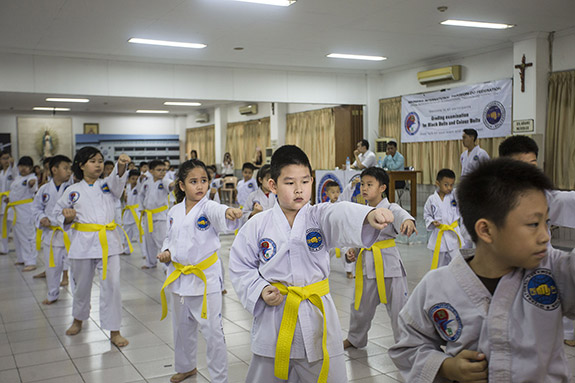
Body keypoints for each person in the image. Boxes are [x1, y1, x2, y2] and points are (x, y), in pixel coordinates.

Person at [389, 158, 575, 382]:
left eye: (547, 222)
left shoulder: (556, 270)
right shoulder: (437, 286)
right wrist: (446, 366)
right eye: (534, 224)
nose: (546, 236)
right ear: (486, 230)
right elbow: (408, 347)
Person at [229, 145, 394, 383]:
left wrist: (367, 216)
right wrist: (260, 289)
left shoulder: (318, 215)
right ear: (272, 185)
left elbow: (339, 214)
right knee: (268, 372)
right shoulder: (257, 225)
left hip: (315, 312)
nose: (299, 190)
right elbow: (240, 266)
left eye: (305, 182)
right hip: (275, 313)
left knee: (324, 371)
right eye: (289, 183)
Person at [157, 159, 242, 383]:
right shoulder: (174, 210)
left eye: (203, 180)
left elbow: (219, 211)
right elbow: (169, 238)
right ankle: (186, 366)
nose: (200, 186)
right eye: (193, 181)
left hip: (206, 281)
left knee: (213, 332)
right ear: (182, 185)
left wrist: (229, 212)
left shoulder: (209, 207)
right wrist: (166, 252)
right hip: (178, 278)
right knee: (182, 328)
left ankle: (219, 378)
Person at [499, 134, 575, 347]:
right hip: (504, 270)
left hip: (540, 269)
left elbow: (565, 200)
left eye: (533, 166)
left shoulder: (543, 195)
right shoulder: (491, 198)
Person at [54, 147, 131, 347]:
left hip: (108, 243)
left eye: (100, 161)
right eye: (92, 161)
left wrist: (121, 165)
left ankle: (115, 330)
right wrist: (66, 217)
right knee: (81, 285)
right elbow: (58, 211)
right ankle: (78, 319)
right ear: (81, 165)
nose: (98, 164)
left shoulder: (107, 185)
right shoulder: (72, 191)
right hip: (82, 243)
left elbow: (118, 181)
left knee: (112, 285)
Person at [343, 167, 416, 347]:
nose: (364, 188)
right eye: (362, 184)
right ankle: (355, 338)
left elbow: (401, 216)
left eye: (369, 184)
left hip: (390, 265)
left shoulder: (391, 207)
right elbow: (359, 237)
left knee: (399, 308)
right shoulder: (361, 211)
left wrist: (407, 221)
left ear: (382, 187)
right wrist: (354, 249)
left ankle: (404, 343)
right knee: (359, 306)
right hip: (367, 265)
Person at [32, 155, 74, 304]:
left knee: (75, 267)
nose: (69, 171)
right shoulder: (44, 189)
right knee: (52, 268)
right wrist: (41, 217)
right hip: (51, 234)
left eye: (70, 168)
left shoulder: (72, 189)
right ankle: (52, 294)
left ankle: (79, 297)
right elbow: (36, 208)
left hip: (70, 233)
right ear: (54, 170)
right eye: (65, 168)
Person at [3, 156, 38, 271]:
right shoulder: (17, 178)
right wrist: (9, 199)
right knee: (17, 237)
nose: (24, 169)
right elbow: (14, 192)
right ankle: (21, 258)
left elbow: (32, 186)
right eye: (22, 166)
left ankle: (31, 261)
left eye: (27, 167)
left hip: (25, 211)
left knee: (27, 236)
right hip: (14, 210)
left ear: (31, 168)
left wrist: (32, 184)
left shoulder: (31, 178)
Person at [423, 169, 462, 269]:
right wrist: (432, 221)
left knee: (456, 265)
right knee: (438, 266)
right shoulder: (431, 199)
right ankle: (439, 282)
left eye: (451, 185)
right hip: (439, 235)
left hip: (452, 234)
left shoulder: (454, 195)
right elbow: (427, 214)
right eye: (446, 184)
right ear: (437, 183)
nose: (449, 187)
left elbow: (462, 198)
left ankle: (455, 283)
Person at [139, 160, 175, 269]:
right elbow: (141, 196)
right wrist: (141, 209)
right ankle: (151, 262)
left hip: (161, 217)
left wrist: (178, 182)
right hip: (148, 216)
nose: (162, 172)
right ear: (151, 171)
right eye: (159, 170)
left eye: (164, 170)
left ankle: (167, 267)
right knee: (149, 242)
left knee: (162, 241)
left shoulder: (165, 181)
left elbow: (171, 185)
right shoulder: (146, 183)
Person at [325, 180, 354, 279]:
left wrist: (352, 185)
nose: (336, 194)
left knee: (347, 253)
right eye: (333, 192)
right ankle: (323, 270)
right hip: (330, 236)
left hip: (342, 236)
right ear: (327, 193)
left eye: (337, 192)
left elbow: (347, 192)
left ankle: (349, 271)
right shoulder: (325, 207)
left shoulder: (342, 202)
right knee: (324, 254)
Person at [0, 150, 17, 254]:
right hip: (2, 203)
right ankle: (4, 248)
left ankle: (21, 250)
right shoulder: (1, 173)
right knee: (3, 228)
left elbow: (17, 183)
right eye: (3, 158)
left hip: (12, 203)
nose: (6, 160)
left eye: (8, 158)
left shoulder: (14, 171)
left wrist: (13, 164)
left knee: (15, 228)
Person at [121, 169, 142, 249]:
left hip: (136, 212)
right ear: (129, 179)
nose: (135, 181)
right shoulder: (127, 187)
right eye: (133, 179)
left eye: (137, 179)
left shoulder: (139, 187)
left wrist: (140, 180)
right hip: (127, 212)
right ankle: (126, 249)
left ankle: (144, 253)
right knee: (126, 232)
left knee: (139, 233)